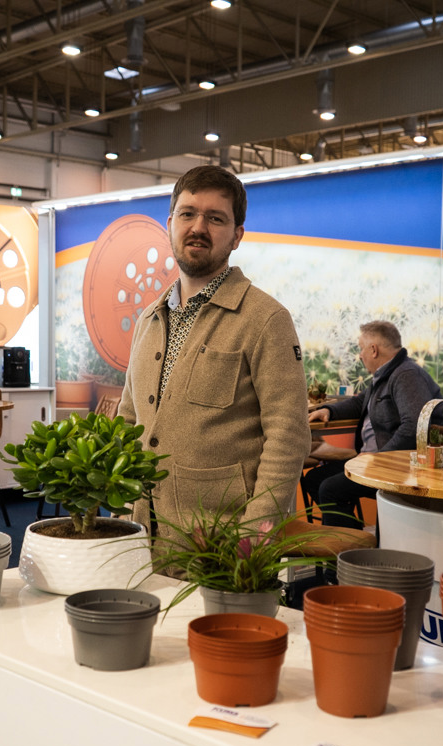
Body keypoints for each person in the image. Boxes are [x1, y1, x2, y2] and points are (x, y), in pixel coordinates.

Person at [118, 165, 310, 547]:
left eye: (215, 218)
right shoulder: (149, 320)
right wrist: (121, 511)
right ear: (170, 224)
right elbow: (127, 419)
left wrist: (254, 536)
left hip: (223, 546)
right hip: (141, 536)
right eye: (187, 214)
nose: (198, 227)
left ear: (237, 235)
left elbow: (288, 436)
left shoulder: (265, 319)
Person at [303, 320, 443, 528]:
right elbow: (359, 402)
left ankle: (347, 545)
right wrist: (329, 411)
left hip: (395, 466)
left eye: (361, 349)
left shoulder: (406, 375)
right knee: (315, 480)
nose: (360, 355)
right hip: (374, 460)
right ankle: (353, 536)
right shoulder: (386, 375)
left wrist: (377, 458)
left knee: (330, 489)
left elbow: (414, 427)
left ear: (373, 350)